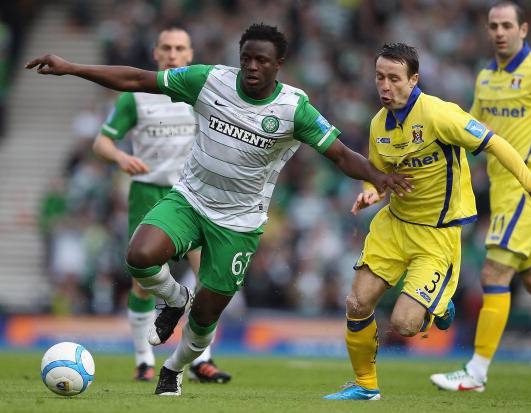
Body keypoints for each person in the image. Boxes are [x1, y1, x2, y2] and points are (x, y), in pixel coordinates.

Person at [26, 23, 413, 397]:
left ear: (278, 64)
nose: (252, 67)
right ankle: (175, 298)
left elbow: (341, 155)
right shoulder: (208, 80)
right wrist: (72, 67)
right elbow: (137, 79)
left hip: (239, 223)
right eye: (246, 58)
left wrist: (378, 176)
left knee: (205, 315)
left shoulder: (294, 108)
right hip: (190, 199)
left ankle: (173, 368)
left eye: (262, 60)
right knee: (138, 257)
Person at [324, 42, 531, 401]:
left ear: (414, 79)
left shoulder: (439, 114)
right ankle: (365, 386)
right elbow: (378, 173)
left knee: (404, 324)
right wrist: (371, 191)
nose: (385, 86)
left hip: (436, 236)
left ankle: (440, 304)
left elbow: (495, 142)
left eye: (394, 78)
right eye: (379, 77)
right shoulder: (378, 124)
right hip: (393, 226)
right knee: (357, 304)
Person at [431, 1, 531, 392]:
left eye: (507, 25)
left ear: (524, 29)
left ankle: (476, 372)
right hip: (502, 190)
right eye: (494, 26)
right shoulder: (486, 76)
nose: (499, 32)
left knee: (494, 273)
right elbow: (471, 127)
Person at [93, 28, 230, 383]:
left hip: (193, 196)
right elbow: (101, 142)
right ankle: (144, 360)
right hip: (149, 195)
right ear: (155, 53)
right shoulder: (136, 98)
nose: (172, 54)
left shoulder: (201, 93)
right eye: (166, 48)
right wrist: (121, 157)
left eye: (179, 48)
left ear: (190, 54)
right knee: (144, 283)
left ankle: (200, 360)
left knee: (207, 280)